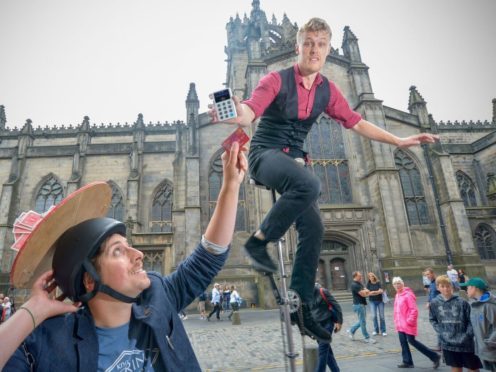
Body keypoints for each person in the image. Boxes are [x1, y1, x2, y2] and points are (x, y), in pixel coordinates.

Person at [209, 17, 439, 342]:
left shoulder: (328, 91)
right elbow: (249, 111)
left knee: (314, 227)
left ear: (328, 49)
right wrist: (232, 111)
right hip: (265, 156)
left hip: (294, 165)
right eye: (308, 43)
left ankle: (300, 301)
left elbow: (358, 123)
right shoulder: (275, 79)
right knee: (310, 183)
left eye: (320, 44)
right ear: (297, 46)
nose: (314, 49)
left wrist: (399, 141)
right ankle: (258, 241)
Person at [2, 142, 247, 371]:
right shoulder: (48, 343)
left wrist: (231, 185)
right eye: (118, 251)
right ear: (89, 280)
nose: (138, 254)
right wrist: (32, 310)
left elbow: (208, 258)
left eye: (129, 245)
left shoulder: (157, 296)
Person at [429, 275, 482, 372]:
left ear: (452, 287)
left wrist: (467, 335)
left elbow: (471, 320)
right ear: (438, 288)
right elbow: (433, 319)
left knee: (473, 367)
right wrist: (442, 332)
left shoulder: (462, 302)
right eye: (442, 286)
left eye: (448, 286)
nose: (446, 289)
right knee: (455, 367)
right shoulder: (434, 303)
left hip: (465, 343)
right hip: (447, 342)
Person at [392, 276, 441, 369]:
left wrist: (409, 321)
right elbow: (396, 310)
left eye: (398, 283)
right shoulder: (397, 295)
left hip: (407, 324)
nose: (397, 285)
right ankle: (407, 361)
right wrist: (396, 320)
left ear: (402, 284)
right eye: (395, 284)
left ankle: (434, 356)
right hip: (400, 324)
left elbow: (413, 310)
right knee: (403, 342)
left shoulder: (408, 295)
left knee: (412, 341)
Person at [460, 277, 496, 372]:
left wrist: (489, 342)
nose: (466, 290)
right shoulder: (475, 304)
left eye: (467, 288)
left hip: (492, 350)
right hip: (485, 350)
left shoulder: (490, 305)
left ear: (474, 288)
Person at [311, 282, 343, 372]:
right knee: (327, 352)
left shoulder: (323, 291)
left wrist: (339, 322)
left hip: (327, 324)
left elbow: (336, 306)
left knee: (322, 351)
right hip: (316, 327)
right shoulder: (305, 295)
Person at [347, 271, 376, 343]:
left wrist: (367, 292)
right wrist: (371, 293)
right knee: (362, 321)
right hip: (358, 305)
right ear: (355, 276)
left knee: (362, 321)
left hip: (361, 304)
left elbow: (366, 290)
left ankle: (351, 330)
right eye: (360, 275)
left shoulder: (359, 283)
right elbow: (363, 294)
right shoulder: (354, 285)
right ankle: (366, 337)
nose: (361, 277)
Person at [366, 272, 387, 336]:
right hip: (372, 301)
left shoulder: (378, 283)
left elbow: (381, 291)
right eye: (370, 276)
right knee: (374, 316)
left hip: (380, 301)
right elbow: (368, 293)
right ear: (369, 278)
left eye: (372, 276)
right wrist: (377, 292)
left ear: (374, 276)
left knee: (382, 316)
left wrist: (373, 292)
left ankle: (383, 331)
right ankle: (376, 330)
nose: (371, 277)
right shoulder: (368, 284)